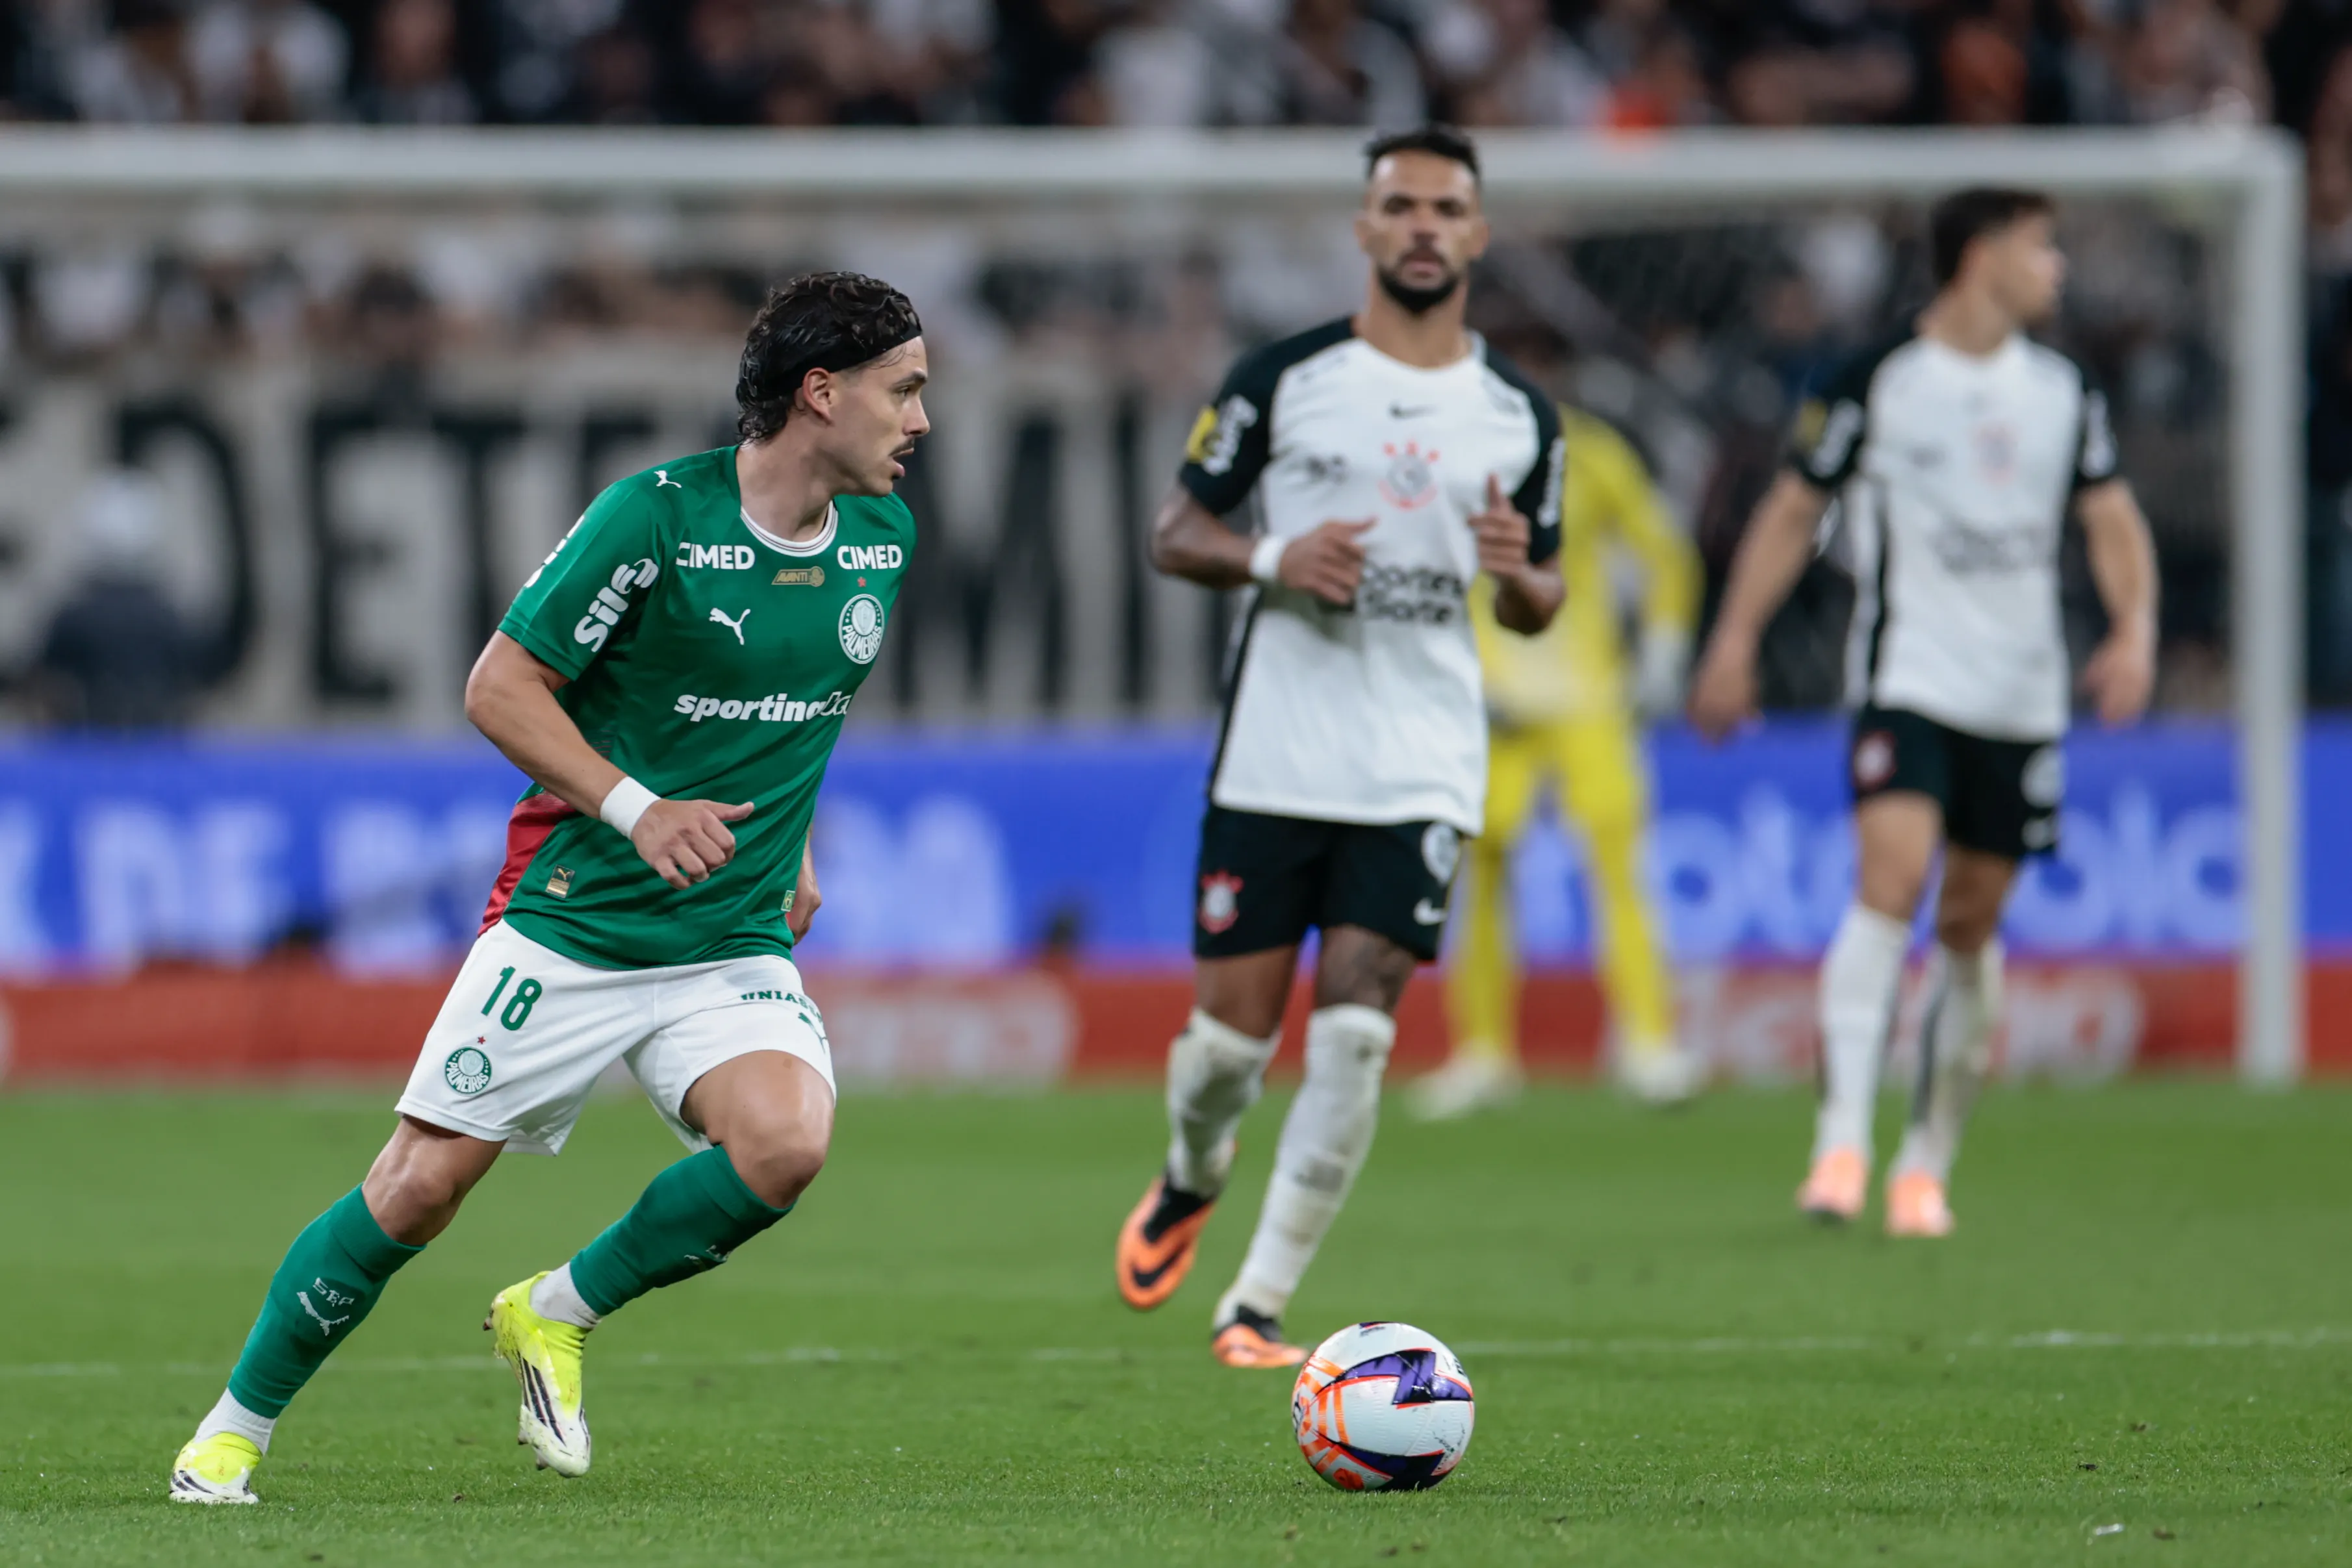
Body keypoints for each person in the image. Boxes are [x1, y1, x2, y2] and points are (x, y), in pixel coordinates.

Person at [168, 272, 931, 1502]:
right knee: (417, 1188)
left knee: (785, 1146)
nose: (921, 420)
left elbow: (795, 714)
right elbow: (499, 686)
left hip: (726, 935)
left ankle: (554, 1309)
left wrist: (794, 849)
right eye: (905, 390)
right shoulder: (654, 520)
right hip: (575, 920)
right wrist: (638, 809)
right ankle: (232, 1429)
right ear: (821, 391)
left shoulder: (881, 542)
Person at [1114, 125, 1565, 1367]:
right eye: (1401, 206)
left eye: (1447, 209)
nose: (1424, 227)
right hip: (1277, 748)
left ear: (1478, 234)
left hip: (1420, 757)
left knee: (1360, 1022)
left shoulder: (1520, 415)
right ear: (1365, 229)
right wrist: (1273, 557)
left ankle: (1256, 1301)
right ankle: (1192, 1171)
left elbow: (1544, 595)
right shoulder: (1283, 376)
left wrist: (1523, 577)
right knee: (1226, 1051)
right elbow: (1175, 530)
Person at [1688, 188, 2157, 1238]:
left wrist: (2133, 629)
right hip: (1908, 678)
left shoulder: (2062, 390)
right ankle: (1840, 1142)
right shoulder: (1877, 382)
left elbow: (2110, 512)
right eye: (2043, 247)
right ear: (1981, 256)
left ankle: (1926, 1159)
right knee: (1890, 882)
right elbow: (1795, 506)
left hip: (2022, 692)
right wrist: (1733, 641)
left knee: (1971, 920)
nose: (2057, 268)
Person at [1414, 393, 1702, 1117]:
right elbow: (1420, 573)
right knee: (1478, 869)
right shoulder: (1447, 456)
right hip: (1494, 700)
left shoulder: (1594, 454)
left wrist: (1664, 649)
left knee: (1615, 860)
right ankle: (1481, 1053)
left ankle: (1648, 1043)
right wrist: (1454, 672)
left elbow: (1664, 552)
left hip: (1587, 696)